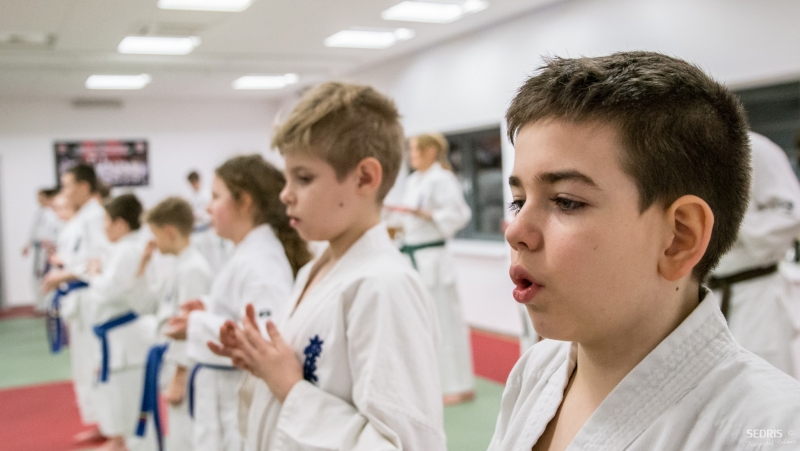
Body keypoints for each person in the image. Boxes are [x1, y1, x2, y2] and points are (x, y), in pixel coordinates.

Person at [489, 52, 800, 450]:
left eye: (567, 201)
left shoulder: (773, 433)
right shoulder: (535, 371)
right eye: (518, 201)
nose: (516, 232)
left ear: (680, 237)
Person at [210, 82, 447, 451]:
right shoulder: (316, 270)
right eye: (287, 177)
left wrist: (289, 386)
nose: (285, 194)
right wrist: (265, 364)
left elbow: (403, 445)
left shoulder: (384, 286)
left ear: (365, 177)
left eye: (303, 178)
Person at [165, 155, 309, 451]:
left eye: (216, 197)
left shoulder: (261, 262)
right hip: (224, 391)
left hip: (239, 396)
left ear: (244, 202)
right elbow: (244, 309)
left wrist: (196, 325)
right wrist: (209, 307)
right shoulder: (247, 252)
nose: (208, 207)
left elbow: (267, 337)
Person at [387, 132, 475, 404]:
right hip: (414, 257)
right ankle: (432, 384)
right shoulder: (414, 180)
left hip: (434, 259)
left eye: (416, 150)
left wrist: (426, 214)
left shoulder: (442, 178)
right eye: (411, 150)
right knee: (422, 323)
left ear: (430, 151)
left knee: (444, 322)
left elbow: (460, 215)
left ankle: (456, 386)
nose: (412, 155)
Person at [709, 132, 800, 377]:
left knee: (767, 380)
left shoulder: (755, 148)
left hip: (757, 295)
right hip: (703, 294)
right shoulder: (679, 146)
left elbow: (791, 215)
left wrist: (728, 224)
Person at [42, 164, 110, 444]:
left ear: (83, 186)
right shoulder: (81, 218)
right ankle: (100, 422)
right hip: (76, 302)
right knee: (83, 366)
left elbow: (99, 261)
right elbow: (78, 257)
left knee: (95, 364)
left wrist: (63, 275)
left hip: (91, 300)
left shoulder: (96, 217)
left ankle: (110, 427)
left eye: (68, 186)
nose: (65, 192)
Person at [84, 194, 158, 451]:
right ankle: (120, 443)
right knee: (120, 405)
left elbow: (111, 292)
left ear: (120, 224)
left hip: (127, 341)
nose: (104, 227)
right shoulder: (121, 249)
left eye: (106, 221)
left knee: (133, 410)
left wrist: (94, 275)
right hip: (116, 340)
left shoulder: (128, 250)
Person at [140, 197, 214, 450]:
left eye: (155, 234)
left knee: (186, 438)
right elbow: (148, 304)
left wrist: (180, 376)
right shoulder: (179, 265)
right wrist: (143, 264)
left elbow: (190, 326)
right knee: (179, 435)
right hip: (171, 360)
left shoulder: (193, 269)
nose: (153, 241)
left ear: (169, 232)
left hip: (187, 368)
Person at [23, 188, 60, 312]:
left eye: (41, 197)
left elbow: (54, 234)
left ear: (48, 198)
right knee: (37, 276)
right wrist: (28, 244)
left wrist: (50, 243)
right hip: (39, 249)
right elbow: (34, 231)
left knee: (47, 275)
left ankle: (47, 304)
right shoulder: (39, 212)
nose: (39, 200)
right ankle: (41, 304)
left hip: (47, 250)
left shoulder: (53, 214)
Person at [186, 170, 229, 272]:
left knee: (211, 262)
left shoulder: (206, 195)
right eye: (190, 184)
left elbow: (211, 214)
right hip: (196, 232)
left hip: (207, 231)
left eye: (193, 183)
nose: (192, 186)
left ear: (197, 181)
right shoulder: (192, 196)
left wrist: (198, 215)